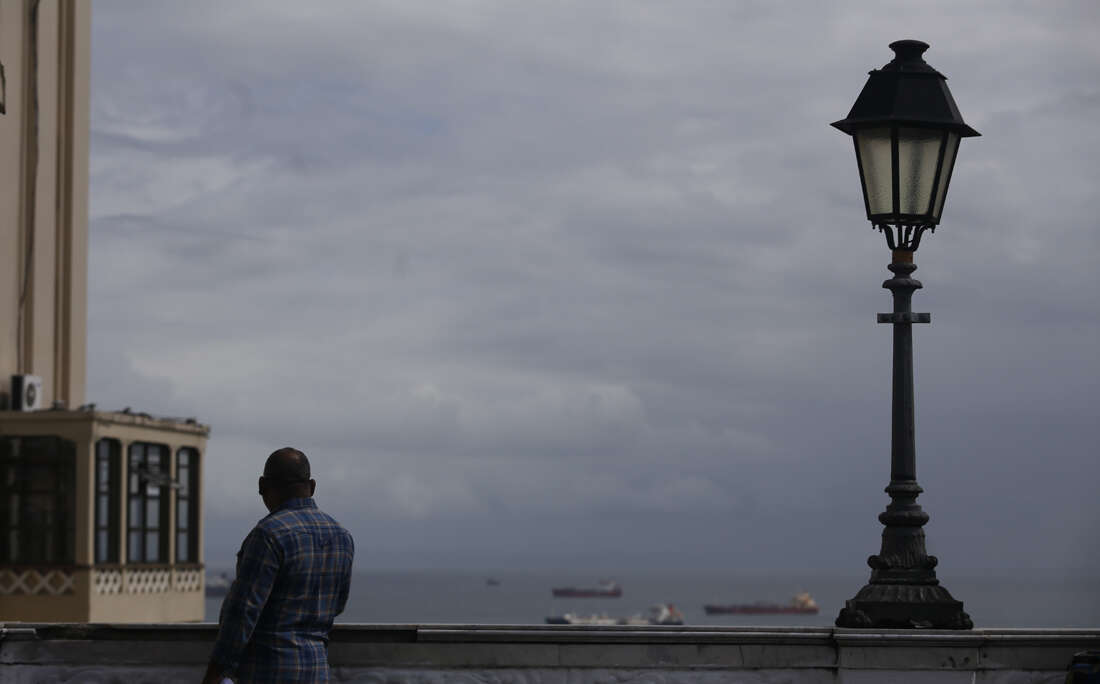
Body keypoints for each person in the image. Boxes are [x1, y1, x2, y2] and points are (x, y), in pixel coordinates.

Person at [202, 447, 354, 684]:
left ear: (262, 485)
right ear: (312, 486)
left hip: (268, 672)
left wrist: (214, 674)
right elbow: (338, 604)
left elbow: (242, 613)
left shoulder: (268, 535)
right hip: (317, 671)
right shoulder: (342, 537)